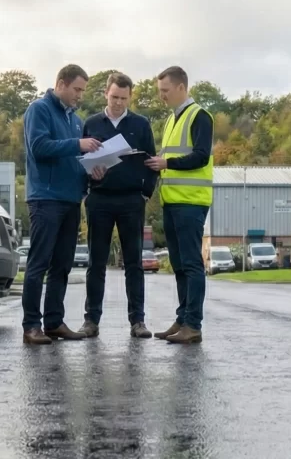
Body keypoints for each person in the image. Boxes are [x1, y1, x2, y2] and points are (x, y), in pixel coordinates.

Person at [20, 64, 103, 345]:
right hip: (45, 198)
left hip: (70, 200)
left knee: (62, 265)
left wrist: (91, 171)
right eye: (77, 89)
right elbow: (39, 148)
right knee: (38, 263)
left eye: (82, 91)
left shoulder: (76, 121)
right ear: (61, 84)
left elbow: (74, 157)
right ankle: (32, 325)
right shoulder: (39, 110)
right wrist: (77, 145)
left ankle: (54, 322)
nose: (80, 95)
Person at [77, 72, 158, 339]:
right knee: (96, 262)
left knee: (134, 263)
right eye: (114, 97)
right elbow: (79, 161)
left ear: (130, 96)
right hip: (99, 199)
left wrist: (145, 193)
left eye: (124, 98)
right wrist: (90, 179)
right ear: (105, 94)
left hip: (131, 200)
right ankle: (91, 321)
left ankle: (138, 321)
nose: (119, 103)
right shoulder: (91, 123)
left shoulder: (141, 125)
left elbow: (151, 162)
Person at [145, 66, 212, 344]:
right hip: (172, 202)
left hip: (191, 203)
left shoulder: (200, 116)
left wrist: (167, 162)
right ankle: (183, 318)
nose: (162, 96)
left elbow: (200, 156)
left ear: (181, 88)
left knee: (191, 264)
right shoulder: (172, 120)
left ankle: (193, 325)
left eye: (165, 91)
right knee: (179, 264)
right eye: (160, 91)